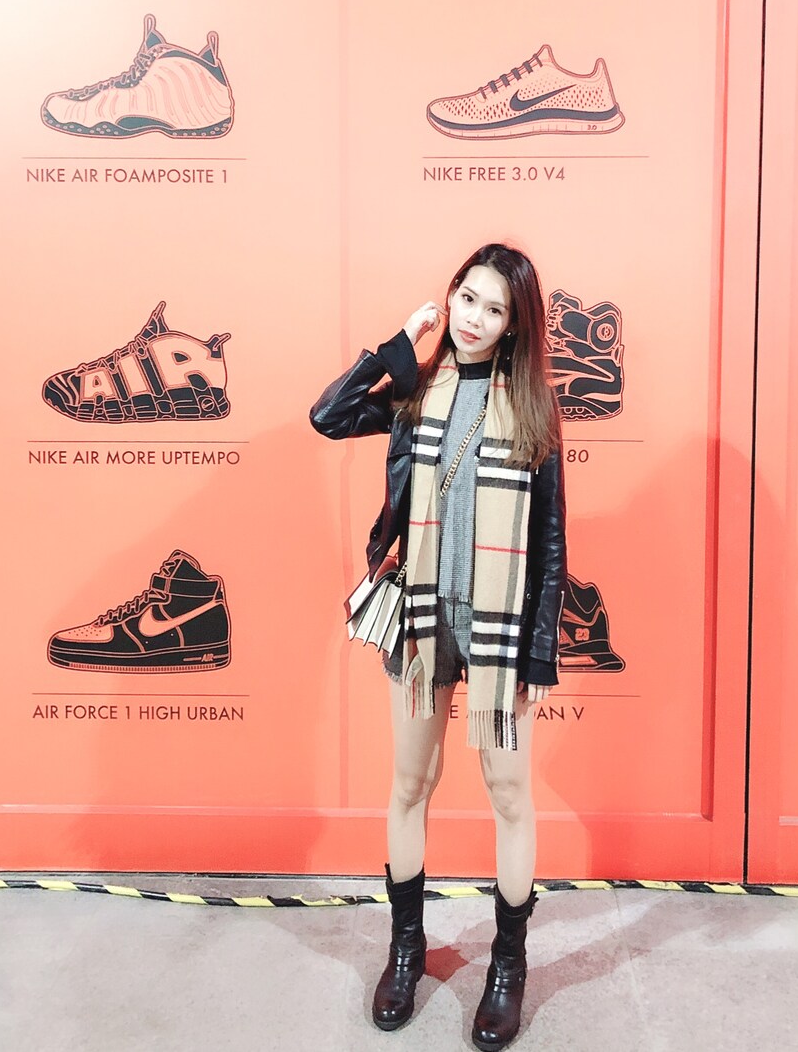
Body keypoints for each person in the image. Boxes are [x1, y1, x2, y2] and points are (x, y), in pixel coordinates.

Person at [310, 242, 566, 1050]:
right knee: (410, 783)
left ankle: (507, 967)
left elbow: (551, 543)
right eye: (466, 298)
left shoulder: (535, 412)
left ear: (515, 325)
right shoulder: (416, 389)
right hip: (423, 618)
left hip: (497, 628)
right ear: (448, 297)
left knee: (510, 794)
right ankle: (406, 950)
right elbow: (328, 415)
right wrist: (399, 342)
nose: (475, 318)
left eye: (495, 309)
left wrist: (539, 651)